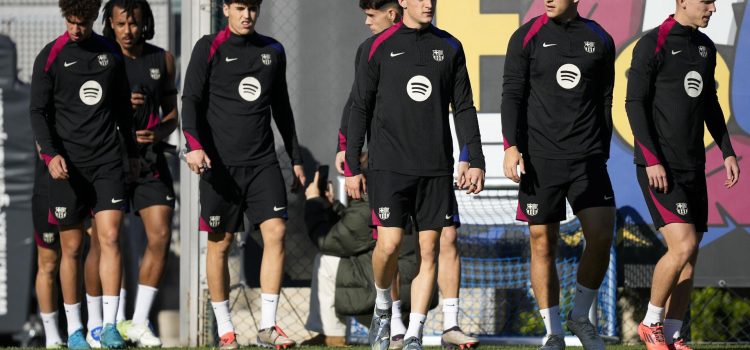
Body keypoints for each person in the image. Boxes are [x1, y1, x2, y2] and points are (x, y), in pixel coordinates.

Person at [336, 2, 478, 349]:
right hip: (388, 166)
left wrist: (473, 158)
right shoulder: (374, 48)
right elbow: (359, 107)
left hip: (435, 168)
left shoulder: (450, 46)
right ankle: (384, 307)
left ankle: (414, 332)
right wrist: (353, 166)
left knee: (430, 248)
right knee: (389, 245)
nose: (427, 4)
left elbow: (463, 107)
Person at [181, 0, 305, 348]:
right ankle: (225, 331)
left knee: (276, 231)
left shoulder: (272, 51)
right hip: (219, 166)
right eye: (239, 7)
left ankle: (268, 326)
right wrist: (193, 145)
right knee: (219, 244)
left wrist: (295, 156)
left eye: (252, 7)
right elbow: (190, 100)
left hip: (263, 162)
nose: (247, 14)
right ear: (225, 9)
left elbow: (281, 106)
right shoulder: (209, 47)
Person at [501, 0, 616, 349]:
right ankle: (553, 332)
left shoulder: (600, 38)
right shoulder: (527, 36)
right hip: (540, 160)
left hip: (587, 160)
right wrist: (511, 146)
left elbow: (606, 100)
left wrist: (603, 150)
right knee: (542, 243)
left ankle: (580, 316)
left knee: (600, 236)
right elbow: (512, 95)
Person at [625, 1, 740, 349]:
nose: (713, 8)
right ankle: (650, 324)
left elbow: (709, 105)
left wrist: (728, 150)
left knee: (691, 256)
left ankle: (673, 334)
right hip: (661, 168)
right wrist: (652, 160)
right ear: (683, 2)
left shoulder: (704, 48)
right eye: (706, 1)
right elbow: (634, 104)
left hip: (694, 167)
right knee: (682, 245)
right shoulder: (653, 43)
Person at [29, 0, 139, 348]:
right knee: (72, 248)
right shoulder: (51, 56)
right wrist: (50, 155)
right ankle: (74, 329)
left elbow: (122, 106)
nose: (76, 28)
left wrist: (132, 152)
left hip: (107, 162)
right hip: (66, 169)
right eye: (71, 21)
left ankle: (109, 326)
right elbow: (37, 112)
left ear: (94, 18)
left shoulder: (109, 53)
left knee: (109, 238)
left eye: (83, 21)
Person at [101, 0, 178, 346]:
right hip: (110, 161)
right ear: (111, 25)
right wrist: (117, 104)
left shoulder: (162, 59)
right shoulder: (101, 58)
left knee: (160, 235)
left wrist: (160, 132)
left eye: (133, 24)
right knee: (108, 240)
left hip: (150, 161)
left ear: (144, 22)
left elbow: (173, 114)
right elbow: (84, 109)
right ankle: (110, 323)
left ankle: (139, 321)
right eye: (120, 25)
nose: (128, 31)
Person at [303, 154, 424, 348]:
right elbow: (353, 231)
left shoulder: (371, 203)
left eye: (350, 175)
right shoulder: (389, 194)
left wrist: (313, 200)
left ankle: (331, 334)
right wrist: (331, 204)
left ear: (363, 177)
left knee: (326, 259)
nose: (346, 181)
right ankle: (396, 328)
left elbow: (329, 241)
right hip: (410, 288)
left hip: (395, 291)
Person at [32, 147, 65, 349]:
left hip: (86, 186)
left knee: (97, 249)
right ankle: (52, 336)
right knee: (48, 262)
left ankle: (94, 327)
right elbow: (42, 147)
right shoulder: (41, 115)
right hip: (48, 190)